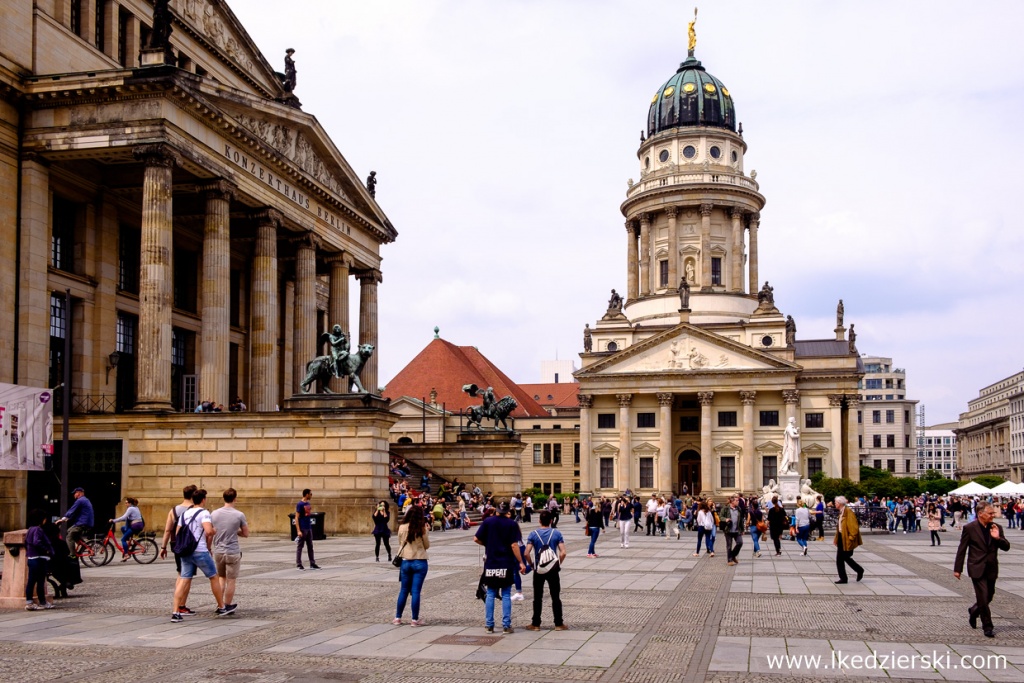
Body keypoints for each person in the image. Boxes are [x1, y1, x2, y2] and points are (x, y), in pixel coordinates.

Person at [954, 501, 1010, 637]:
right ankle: (988, 626)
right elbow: (962, 549)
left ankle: (974, 611)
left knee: (989, 595)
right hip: (976, 567)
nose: (993, 515)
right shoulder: (970, 528)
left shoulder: (997, 527)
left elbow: (1006, 547)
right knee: (983, 597)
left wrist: (997, 538)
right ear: (980, 514)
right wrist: (958, 568)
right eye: (990, 513)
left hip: (991, 567)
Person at [171, 488, 229, 622]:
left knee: (184, 579)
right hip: (200, 550)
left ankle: (175, 611)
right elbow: (208, 531)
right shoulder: (204, 513)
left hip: (186, 551)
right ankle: (221, 606)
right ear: (203, 500)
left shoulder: (185, 514)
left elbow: (178, 532)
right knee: (214, 577)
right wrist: (214, 530)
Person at [474, 502, 525, 634]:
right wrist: (521, 561)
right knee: (506, 594)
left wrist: (488, 544)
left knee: (490, 593)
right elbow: (514, 545)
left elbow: (476, 539)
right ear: (507, 510)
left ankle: (489, 625)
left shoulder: (488, 522)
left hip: (491, 562)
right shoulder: (512, 524)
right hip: (506, 562)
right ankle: (506, 625)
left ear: (496, 510)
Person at [523, 510, 568, 631]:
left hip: (539, 570)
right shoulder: (556, 533)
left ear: (539, 521)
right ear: (551, 521)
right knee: (555, 596)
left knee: (537, 597)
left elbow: (526, 553)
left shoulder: (533, 534)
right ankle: (558, 624)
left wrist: (532, 565)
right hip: (553, 570)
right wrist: (557, 563)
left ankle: (536, 624)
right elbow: (563, 552)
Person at [161, 484, 198, 616]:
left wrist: (163, 547)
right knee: (187, 576)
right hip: (190, 545)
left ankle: (178, 603)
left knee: (180, 572)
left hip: (175, 544)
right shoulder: (195, 510)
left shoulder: (173, 510)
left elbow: (167, 530)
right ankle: (181, 605)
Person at [211, 488, 248, 614]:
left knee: (221, 578)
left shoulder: (214, 514)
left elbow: (211, 531)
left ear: (224, 498)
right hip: (232, 551)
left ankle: (220, 605)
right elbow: (245, 533)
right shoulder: (239, 515)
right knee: (231, 580)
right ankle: (227, 605)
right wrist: (235, 532)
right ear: (235, 498)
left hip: (219, 551)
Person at [394, 504, 430, 626]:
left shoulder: (402, 527)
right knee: (415, 591)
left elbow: (400, 543)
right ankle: (414, 620)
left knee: (403, 590)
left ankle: (397, 618)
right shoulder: (422, 528)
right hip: (419, 560)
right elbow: (427, 545)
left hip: (405, 561)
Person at [25, 508, 56, 610]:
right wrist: (46, 550)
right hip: (39, 558)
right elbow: (37, 542)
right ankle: (42, 602)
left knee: (31, 581)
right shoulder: (38, 529)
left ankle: (29, 602)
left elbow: (27, 543)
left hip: (31, 558)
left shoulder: (30, 529)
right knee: (40, 581)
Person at [833, 495, 864, 584]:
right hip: (841, 537)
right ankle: (844, 578)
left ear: (839, 503)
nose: (835, 504)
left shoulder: (848, 512)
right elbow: (839, 527)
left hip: (847, 539)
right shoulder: (841, 512)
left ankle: (859, 570)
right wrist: (836, 538)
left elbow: (854, 527)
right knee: (841, 559)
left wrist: (851, 538)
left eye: (836, 503)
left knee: (845, 557)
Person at [58, 487, 94, 558]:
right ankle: (85, 545)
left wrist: (62, 519)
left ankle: (72, 555)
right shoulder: (86, 500)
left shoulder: (80, 500)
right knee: (69, 531)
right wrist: (67, 519)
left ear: (79, 493)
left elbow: (72, 510)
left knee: (69, 537)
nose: (74, 495)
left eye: (75, 493)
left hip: (82, 523)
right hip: (86, 522)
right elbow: (77, 513)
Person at [109, 496, 145, 561]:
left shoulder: (130, 508)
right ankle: (129, 541)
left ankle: (126, 554)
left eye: (126, 503)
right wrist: (116, 520)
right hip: (138, 525)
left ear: (130, 503)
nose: (125, 504)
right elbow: (126, 518)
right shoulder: (135, 507)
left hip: (135, 526)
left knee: (123, 539)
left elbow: (123, 517)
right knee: (123, 528)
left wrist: (113, 520)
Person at [295, 489, 321, 570]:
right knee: (300, 546)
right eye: (310, 494)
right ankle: (299, 564)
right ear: (306, 495)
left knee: (310, 546)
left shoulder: (308, 503)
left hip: (308, 527)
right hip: (302, 528)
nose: (311, 495)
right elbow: (296, 517)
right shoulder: (300, 504)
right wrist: (298, 530)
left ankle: (312, 563)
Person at [724, 495, 745, 565]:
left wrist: (742, 529)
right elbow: (720, 516)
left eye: (738, 500)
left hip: (737, 530)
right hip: (728, 530)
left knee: (740, 543)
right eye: (736, 500)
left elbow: (741, 520)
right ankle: (729, 560)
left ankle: (732, 555)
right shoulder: (726, 508)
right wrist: (725, 519)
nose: (738, 502)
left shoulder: (739, 509)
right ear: (732, 501)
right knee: (729, 546)